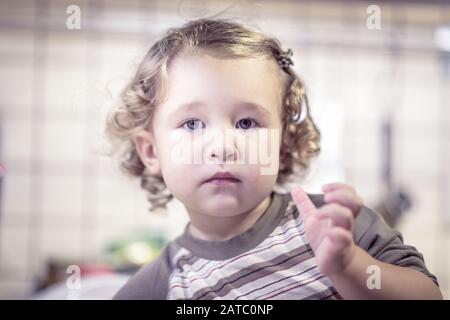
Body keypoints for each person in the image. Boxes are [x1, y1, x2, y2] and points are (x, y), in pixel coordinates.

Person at [106, 18, 442, 299]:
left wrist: (349, 265)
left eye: (247, 123)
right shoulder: (154, 289)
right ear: (151, 152)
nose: (223, 147)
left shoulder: (337, 226)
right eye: (192, 124)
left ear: (283, 144)